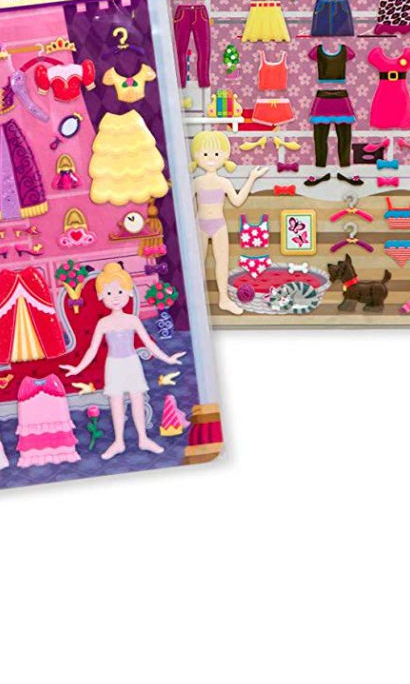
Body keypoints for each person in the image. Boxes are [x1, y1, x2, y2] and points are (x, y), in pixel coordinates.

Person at [61, 263, 186, 460]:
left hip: (132, 363)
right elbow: (92, 349)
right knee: (116, 402)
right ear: (102, 296)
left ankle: (143, 438)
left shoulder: (132, 320)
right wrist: (78, 368)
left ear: (128, 292)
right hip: (113, 366)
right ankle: (118, 441)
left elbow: (149, 344)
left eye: (119, 291)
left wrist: (168, 358)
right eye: (109, 293)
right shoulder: (104, 323)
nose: (115, 297)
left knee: (137, 399)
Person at [189, 132, 267, 313]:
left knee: (222, 263)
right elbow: (184, 203)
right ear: (196, 155)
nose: (210, 158)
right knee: (197, 264)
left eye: (216, 154)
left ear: (224, 156)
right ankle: (195, 301)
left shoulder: (224, 182)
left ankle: (224, 299)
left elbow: (237, 201)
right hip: (199, 225)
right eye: (205, 154)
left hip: (219, 226)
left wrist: (252, 178)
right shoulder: (196, 182)